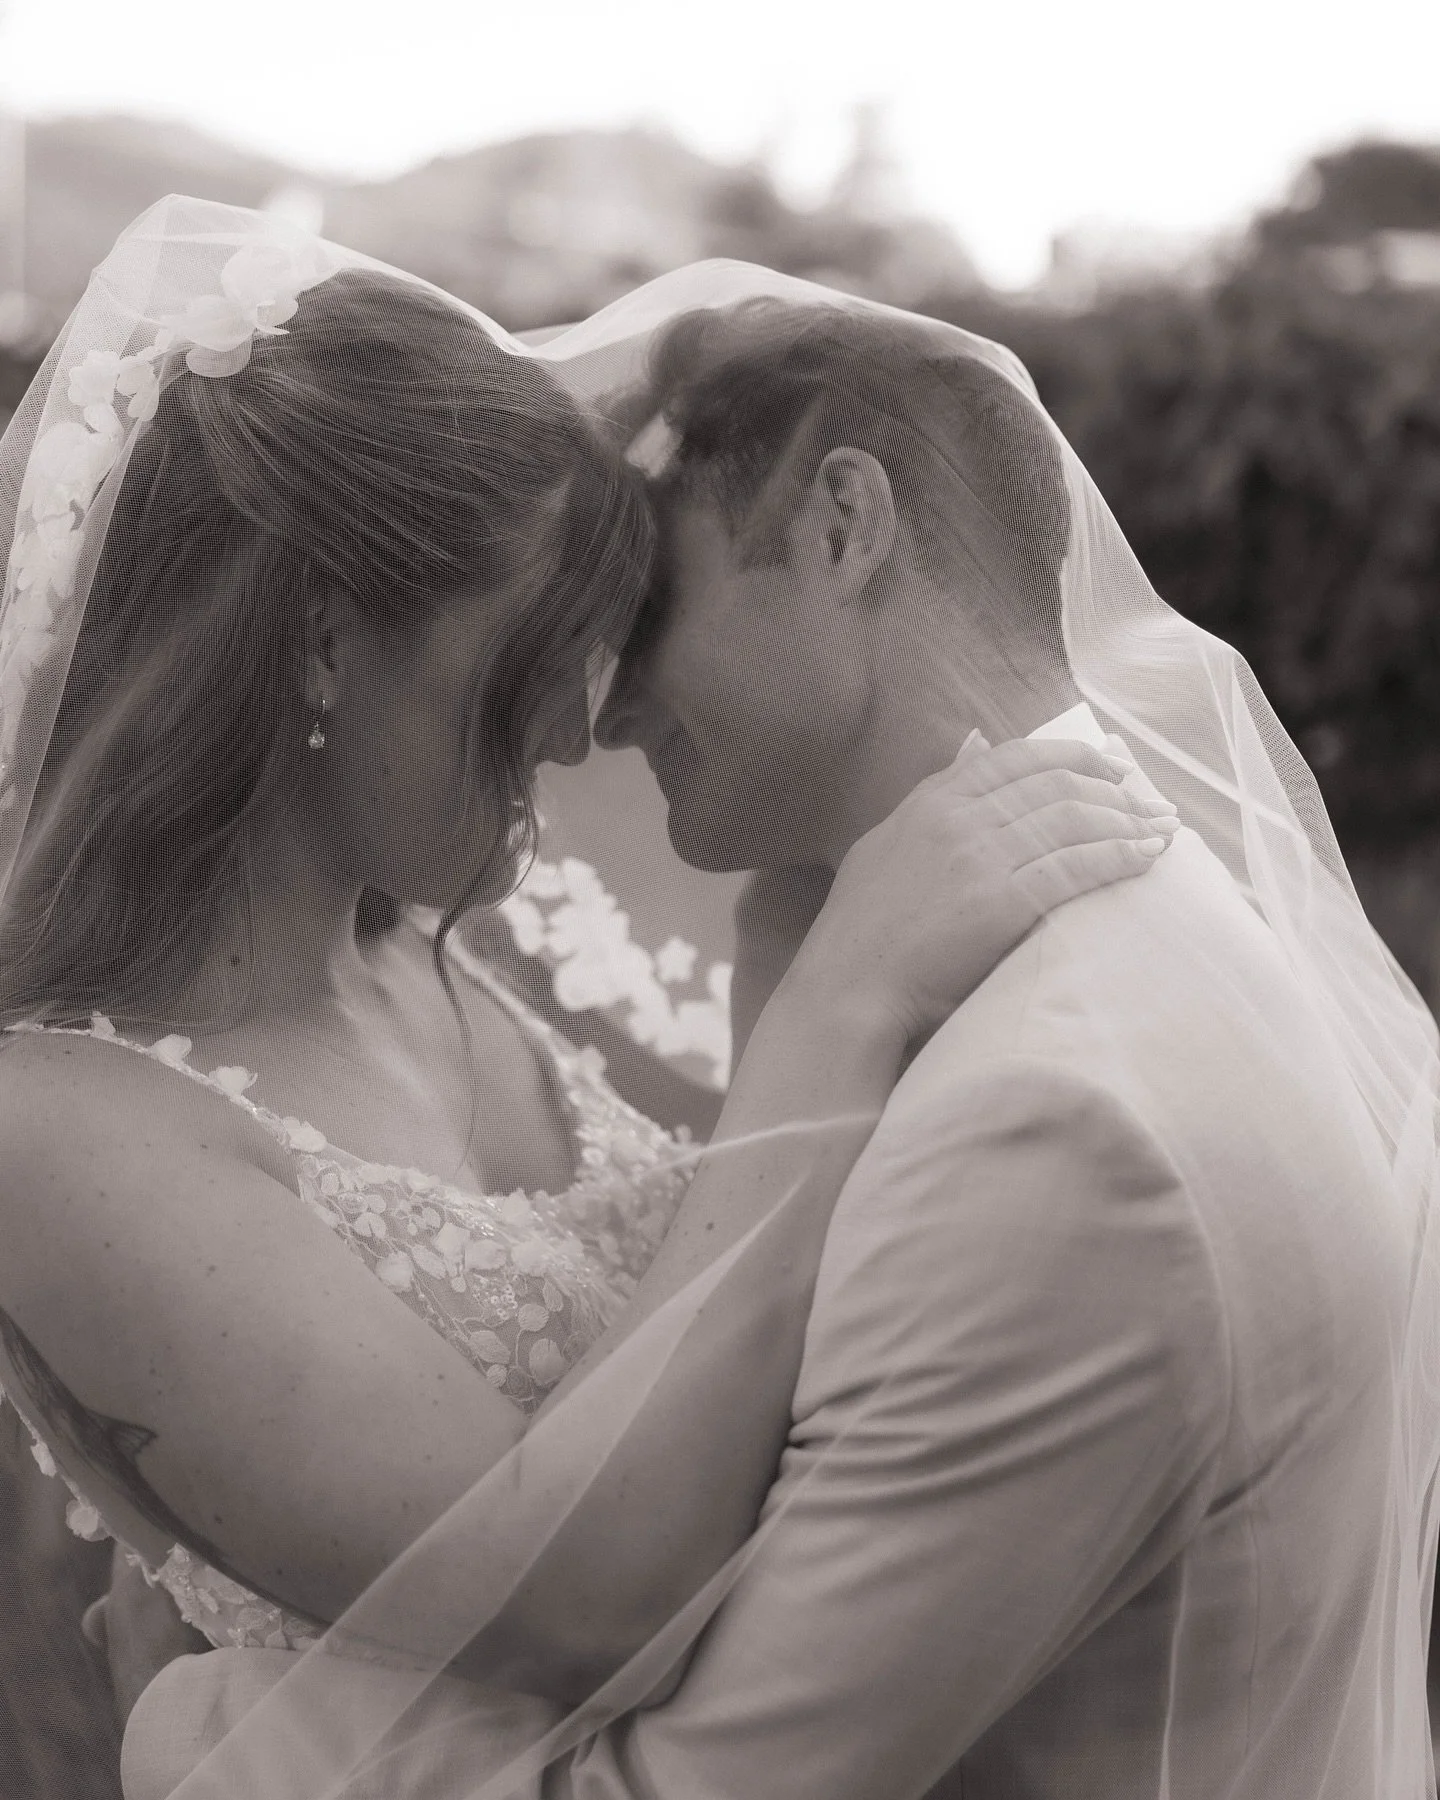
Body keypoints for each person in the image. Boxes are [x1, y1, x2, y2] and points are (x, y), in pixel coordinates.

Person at [117, 267, 1440, 1799]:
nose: (596, 717)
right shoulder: (1149, 919)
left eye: (646, 609)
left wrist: (204, 1724)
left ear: (841, 527)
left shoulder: (1058, 1124)